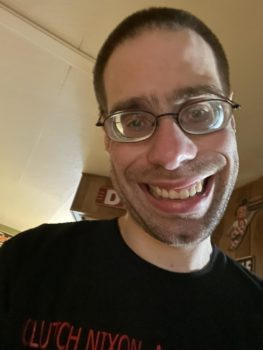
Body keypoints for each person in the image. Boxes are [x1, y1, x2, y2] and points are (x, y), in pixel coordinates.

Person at [0, 7, 262, 350]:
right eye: (135, 121)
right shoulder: (27, 263)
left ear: (230, 119)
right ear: (108, 136)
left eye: (200, 112)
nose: (171, 156)